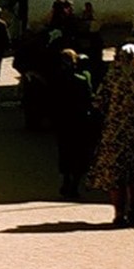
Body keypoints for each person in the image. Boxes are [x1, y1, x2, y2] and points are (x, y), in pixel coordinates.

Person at [85, 44, 134, 226]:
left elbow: (99, 102)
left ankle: (119, 213)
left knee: (115, 175)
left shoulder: (112, 76)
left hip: (114, 132)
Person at [51, 50, 95, 200]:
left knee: (65, 152)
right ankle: (75, 184)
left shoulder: (57, 77)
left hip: (63, 120)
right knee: (80, 153)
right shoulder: (83, 78)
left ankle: (66, 181)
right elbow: (90, 97)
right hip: (80, 120)